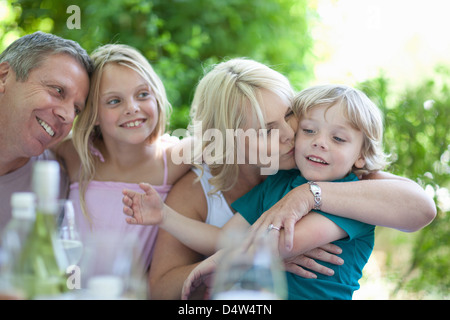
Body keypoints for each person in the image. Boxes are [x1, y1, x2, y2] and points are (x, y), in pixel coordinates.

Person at [143, 58, 435, 300]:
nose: (289, 134)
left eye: (290, 115)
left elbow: (421, 206)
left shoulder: (345, 182)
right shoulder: (266, 185)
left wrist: (309, 194)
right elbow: (224, 242)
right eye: (267, 130)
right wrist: (165, 217)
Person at [180, 84, 388, 299]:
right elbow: (226, 236)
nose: (319, 143)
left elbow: (287, 243)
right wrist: (164, 217)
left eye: (338, 139)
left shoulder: (354, 198)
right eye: (309, 131)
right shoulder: (277, 182)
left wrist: (220, 262)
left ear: (361, 155)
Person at [54, 44, 190, 271]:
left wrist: (274, 207)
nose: (132, 108)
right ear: (94, 114)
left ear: (156, 97)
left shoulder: (172, 158)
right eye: (114, 101)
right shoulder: (76, 154)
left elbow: (234, 143)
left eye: (143, 94)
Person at [0, 31, 93, 230]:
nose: (68, 116)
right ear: (3, 76)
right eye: (58, 91)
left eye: (77, 109)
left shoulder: (59, 182)